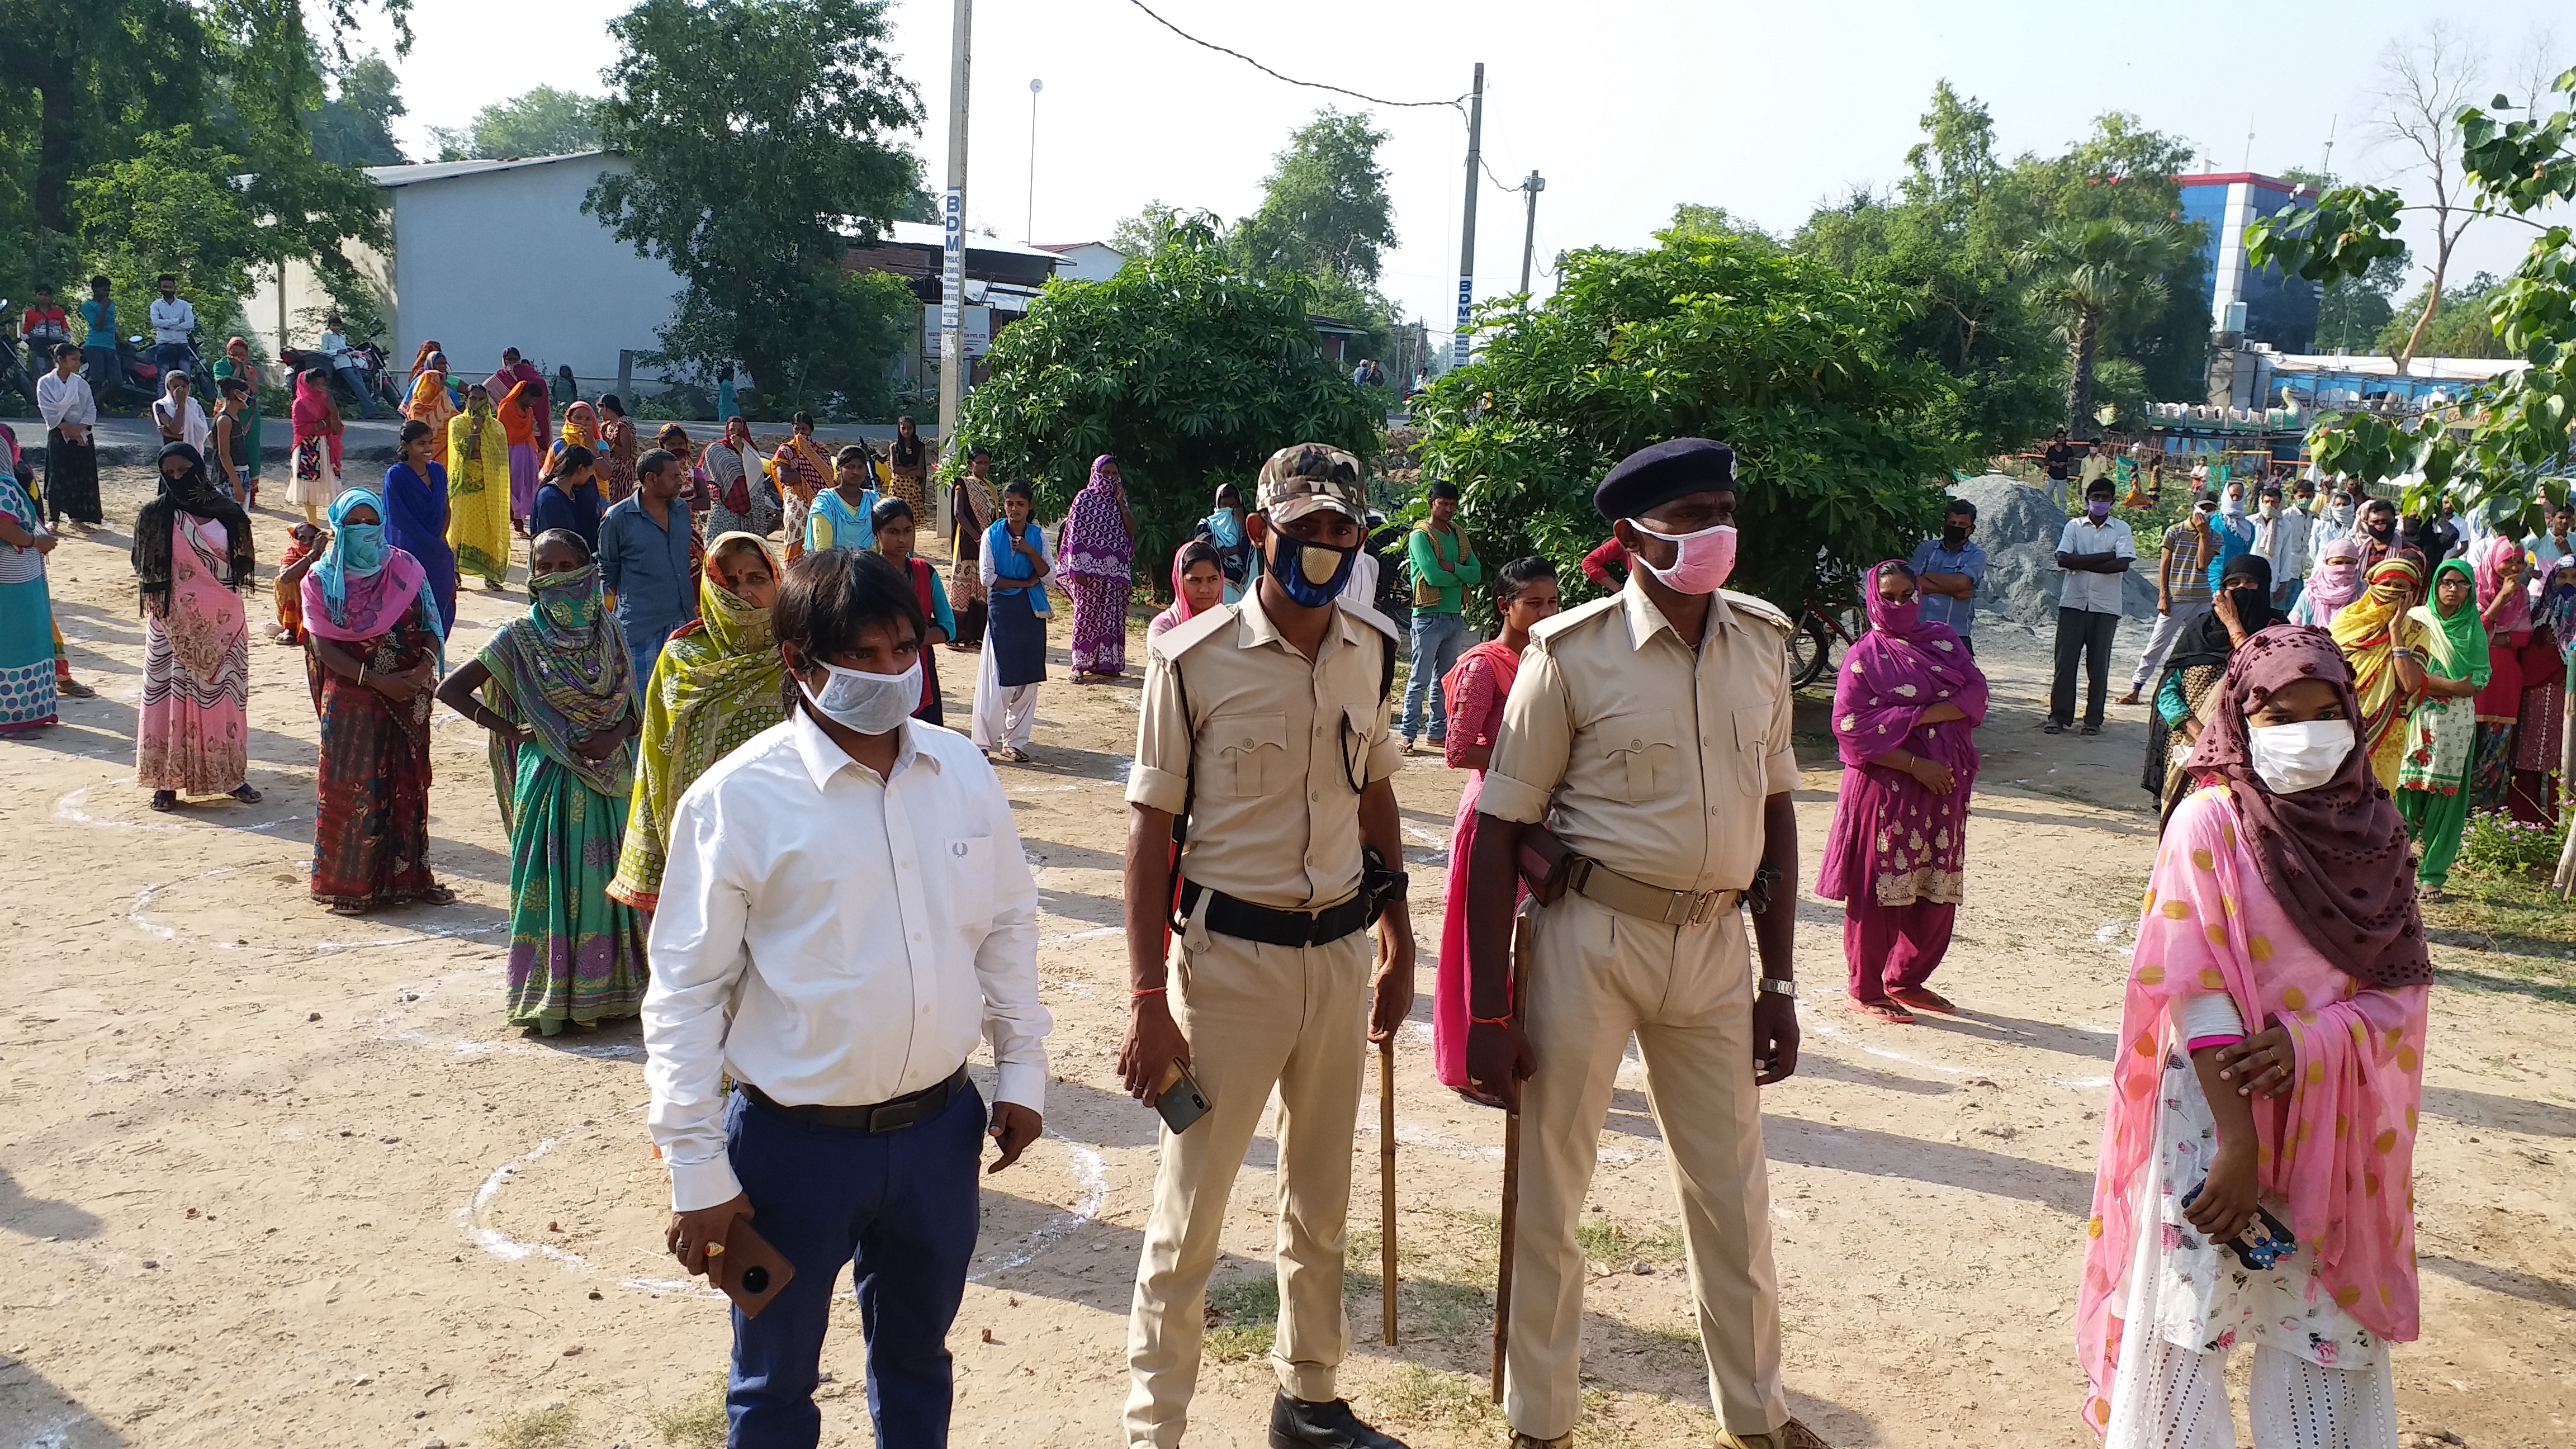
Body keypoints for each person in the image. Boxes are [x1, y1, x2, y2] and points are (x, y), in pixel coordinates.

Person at [641, 546, 1049, 1447]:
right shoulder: (737, 802)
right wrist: (697, 1166)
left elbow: (1008, 924)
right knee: (775, 1385)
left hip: (941, 1136)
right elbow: (684, 993)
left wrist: (1023, 1071)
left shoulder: (963, 772)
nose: (890, 672)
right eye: (860, 656)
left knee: (916, 1360)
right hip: (794, 1153)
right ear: (798, 660)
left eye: (904, 648)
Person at [1460, 438, 1817, 1449]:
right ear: (1629, 538)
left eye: (1722, 507)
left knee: (1732, 1190)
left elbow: (1777, 814)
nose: (1713, 530)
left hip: (1713, 950)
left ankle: (1756, 1415)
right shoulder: (1567, 656)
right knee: (1551, 1186)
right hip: (1590, 938)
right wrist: (1489, 1011)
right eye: (1689, 512)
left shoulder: (1761, 641)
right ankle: (1541, 1421)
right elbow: (1497, 834)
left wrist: (1779, 979)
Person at [1118, 441, 1413, 1449]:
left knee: (1318, 1200)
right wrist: (1145, 999)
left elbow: (1374, 787)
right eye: (1307, 528)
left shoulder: (1368, 650)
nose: (1326, 547)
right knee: (1190, 1214)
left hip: (1336, 956)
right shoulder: (1191, 660)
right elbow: (1150, 833)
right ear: (1258, 532)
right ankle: (1153, 1426)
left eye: (1343, 531)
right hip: (1228, 967)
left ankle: (1311, 1400)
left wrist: (1400, 937)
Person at [2078, 627, 2428, 1448]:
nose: (2306, 734)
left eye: (2325, 712)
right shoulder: (2209, 821)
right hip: (2215, 1111)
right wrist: (2238, 1146)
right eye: (2280, 716)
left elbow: (2401, 992)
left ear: (2353, 716)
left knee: (2319, 1321)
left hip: (2333, 1121)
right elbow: (2193, 986)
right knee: (2190, 1316)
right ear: (2241, 716)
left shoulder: (2378, 833)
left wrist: (2310, 1040)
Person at [436, 529, 648, 1033]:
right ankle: (554, 997)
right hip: (550, 781)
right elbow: (452, 689)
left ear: (586, 571)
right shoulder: (518, 637)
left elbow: (633, 707)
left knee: (608, 885)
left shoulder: (609, 633)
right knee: (552, 885)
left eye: (564, 565)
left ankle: (614, 992)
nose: (553, 578)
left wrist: (613, 735)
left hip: (610, 780)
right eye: (542, 568)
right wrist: (511, 730)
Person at [1819, 558, 1989, 1025]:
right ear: (1873, 598)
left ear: (1920, 595)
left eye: (1906, 595)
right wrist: (1918, 759)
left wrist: (1910, 716)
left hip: (1944, 788)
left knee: (1934, 888)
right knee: (1880, 889)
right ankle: (1867, 986)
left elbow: (1976, 696)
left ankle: (1907, 979)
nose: (1899, 605)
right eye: (1888, 596)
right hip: (1889, 789)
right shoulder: (1863, 657)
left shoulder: (1942, 640)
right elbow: (1853, 731)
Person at [609, 533, 788, 915]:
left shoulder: (800, 654)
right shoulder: (684, 658)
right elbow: (656, 760)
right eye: (729, 582)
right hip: (707, 839)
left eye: (757, 579)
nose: (743, 593)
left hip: (787, 838)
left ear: (777, 579)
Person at [1431, 557, 1558, 1093]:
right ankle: (1472, 1054)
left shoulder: (1549, 661)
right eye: (1535, 603)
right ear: (1505, 606)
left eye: (1553, 602)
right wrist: (1526, 760)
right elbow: (1458, 749)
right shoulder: (1486, 665)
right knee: (1481, 936)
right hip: (1489, 813)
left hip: (1536, 813)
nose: (1547, 612)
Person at [304, 487, 450, 912]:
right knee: (353, 791)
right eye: (354, 523)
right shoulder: (321, 580)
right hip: (353, 698)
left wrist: (421, 672)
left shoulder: (405, 568)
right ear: (338, 526)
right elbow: (323, 648)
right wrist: (378, 681)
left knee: (409, 787)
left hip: (410, 692)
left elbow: (429, 625)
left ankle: (409, 881)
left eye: (372, 523)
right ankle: (350, 887)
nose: (364, 531)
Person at [131, 442, 259, 811]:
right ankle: (166, 783)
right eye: (169, 473)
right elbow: (142, 564)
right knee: (167, 699)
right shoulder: (154, 516)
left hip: (223, 622)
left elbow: (242, 564)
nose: (177, 478)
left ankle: (230, 778)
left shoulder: (229, 513)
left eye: (183, 471)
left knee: (224, 701)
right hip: (171, 623)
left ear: (198, 469)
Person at [2143, 555, 2286, 822]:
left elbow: (2276, 683)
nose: (2242, 589)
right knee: (2192, 827)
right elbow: (2167, 691)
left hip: (2254, 753)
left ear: (2265, 587)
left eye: (2251, 583)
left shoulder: (2278, 631)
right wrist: (2198, 732)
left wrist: (2235, 626)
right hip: (2192, 744)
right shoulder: (2200, 629)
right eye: (2234, 583)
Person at [2394, 557, 2490, 901]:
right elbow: (2404, 674)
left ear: (2470, 590)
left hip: (2456, 724)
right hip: (2414, 718)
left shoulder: (2472, 628)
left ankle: (2433, 876)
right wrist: (2446, 685)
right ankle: (2393, 869)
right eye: (2446, 582)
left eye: (2461, 584)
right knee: (2405, 790)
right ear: (2435, 586)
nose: (2453, 589)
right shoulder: (2417, 620)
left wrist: (2426, 683)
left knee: (2447, 797)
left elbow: (2477, 681)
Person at [2329, 557, 2433, 793]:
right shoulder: (2346, 621)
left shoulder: (2416, 630)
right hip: (2338, 719)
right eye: (2386, 584)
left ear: (2413, 594)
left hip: (2385, 728)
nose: (2392, 592)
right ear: (2372, 585)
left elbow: (2409, 683)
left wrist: (2395, 630)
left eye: (2401, 587)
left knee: (2377, 798)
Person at [599, 448, 698, 680]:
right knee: (642, 706)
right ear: (651, 479)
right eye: (674, 476)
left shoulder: (682, 511)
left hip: (682, 623)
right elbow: (608, 572)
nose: (681, 481)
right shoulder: (617, 518)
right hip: (641, 628)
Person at [1399, 479, 1483, 751]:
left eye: (1452, 505)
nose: (1448, 509)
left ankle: (1437, 732)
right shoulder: (1420, 536)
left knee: (1445, 680)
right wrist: (1460, 574)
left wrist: (1451, 567)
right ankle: (1407, 734)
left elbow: (1478, 573)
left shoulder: (1459, 535)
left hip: (1454, 616)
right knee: (1419, 678)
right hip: (1427, 616)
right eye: (1443, 504)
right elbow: (1433, 577)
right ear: (1431, 504)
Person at [2115, 493, 2221, 708]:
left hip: (2201, 598)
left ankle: (2197, 693)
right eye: (2204, 508)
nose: (2207, 513)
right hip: (2176, 598)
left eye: (2211, 509)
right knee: (2156, 646)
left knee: (2202, 646)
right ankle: (2136, 688)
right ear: (2194, 507)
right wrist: (2163, 596)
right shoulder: (2175, 531)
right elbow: (2164, 564)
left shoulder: (2215, 536)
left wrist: (2203, 535)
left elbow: (2202, 564)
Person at [970, 481, 1050, 763]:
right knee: (998, 679)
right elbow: (987, 578)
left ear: (1029, 506)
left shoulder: (1038, 538)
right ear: (1003, 506)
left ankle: (1014, 742)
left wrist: (1030, 551)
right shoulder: (991, 535)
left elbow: (1049, 576)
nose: (1014, 509)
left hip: (1031, 610)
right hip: (1003, 610)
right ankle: (982, 742)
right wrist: (1026, 581)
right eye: (1009, 503)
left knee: (1029, 679)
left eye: (1020, 504)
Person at [2050, 478, 2137, 735]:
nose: (2099, 502)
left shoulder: (2121, 529)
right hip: (2074, 603)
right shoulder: (2074, 526)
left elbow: (2122, 565)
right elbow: (2063, 559)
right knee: (2066, 663)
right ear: (2086, 499)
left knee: (2098, 666)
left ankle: (2093, 719)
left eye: (2104, 498)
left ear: (2112, 501)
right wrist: (2105, 557)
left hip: (2106, 607)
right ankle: (2059, 716)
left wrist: (2080, 562)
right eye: (2095, 497)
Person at [871, 496, 953, 723]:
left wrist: (908, 643)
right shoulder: (866, 575)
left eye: (908, 531)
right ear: (876, 534)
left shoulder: (925, 573)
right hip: (877, 670)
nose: (902, 539)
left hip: (921, 669)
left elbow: (949, 628)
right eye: (893, 532)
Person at [2469, 536, 2535, 811]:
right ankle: (2454, 803)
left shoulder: (2523, 595)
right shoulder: (2472, 586)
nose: (2514, 568)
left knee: (2495, 748)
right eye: (2509, 560)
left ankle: (2482, 808)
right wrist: (2501, 599)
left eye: (2520, 562)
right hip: (2473, 679)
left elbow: (2523, 637)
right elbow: (2471, 633)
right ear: (2494, 559)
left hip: (2506, 680)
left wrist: (2492, 637)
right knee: (2467, 741)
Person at [0, 451, 64, 733]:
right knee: (17, 639)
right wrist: (36, 541)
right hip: (12, 580)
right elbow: (5, 526)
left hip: (17, 576)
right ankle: (15, 712)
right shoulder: (3, 484)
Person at [1061, 453, 1137, 682]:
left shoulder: (1121, 500)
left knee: (1112, 618)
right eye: (1106, 474)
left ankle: (1107, 663)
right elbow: (1073, 534)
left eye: (1115, 474)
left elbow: (1132, 530)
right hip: (1088, 570)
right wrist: (1077, 568)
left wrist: (1123, 505)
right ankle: (1079, 664)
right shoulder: (1083, 499)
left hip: (1116, 572)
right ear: (1096, 474)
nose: (1111, 478)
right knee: (1085, 617)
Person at [383, 420, 458, 629]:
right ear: (406, 446)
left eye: (430, 443)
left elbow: (446, 508)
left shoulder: (437, 471)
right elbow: (399, 519)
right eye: (421, 443)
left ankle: (435, 652)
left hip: (437, 548)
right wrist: (430, 544)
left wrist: (440, 539)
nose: (428, 449)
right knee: (412, 609)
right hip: (408, 551)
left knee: (442, 603)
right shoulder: (396, 476)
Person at [446, 383, 513, 590]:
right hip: (462, 486)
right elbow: (463, 452)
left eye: (479, 399)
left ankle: (491, 575)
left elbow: (499, 458)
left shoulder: (497, 428)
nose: (475, 403)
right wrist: (476, 430)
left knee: (489, 529)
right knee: (457, 529)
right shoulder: (457, 424)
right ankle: (454, 574)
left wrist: (479, 447)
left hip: (489, 488)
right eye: (471, 398)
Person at [1908, 496, 1987, 654]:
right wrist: (1955, 590)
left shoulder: (1977, 555)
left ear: (1972, 529)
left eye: (1962, 525)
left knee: (1963, 679)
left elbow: (1963, 584)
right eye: (1952, 524)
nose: (1956, 528)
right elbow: (1910, 584)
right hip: (1920, 632)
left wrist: (1928, 576)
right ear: (1943, 526)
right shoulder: (1926, 549)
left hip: (1957, 635)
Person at [36, 344, 102, 527]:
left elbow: (90, 409)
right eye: (74, 359)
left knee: (81, 474)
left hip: (82, 432)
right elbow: (49, 411)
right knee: (58, 476)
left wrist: (80, 430)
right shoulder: (46, 383)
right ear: (60, 360)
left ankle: (77, 517)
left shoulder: (81, 383)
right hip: (59, 434)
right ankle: (54, 519)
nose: (78, 363)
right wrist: (71, 432)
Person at [947, 444, 998, 650]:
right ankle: (956, 635)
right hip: (968, 544)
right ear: (971, 464)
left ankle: (976, 635)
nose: (983, 467)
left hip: (986, 544)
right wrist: (977, 537)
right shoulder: (963, 485)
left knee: (981, 589)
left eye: (987, 463)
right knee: (962, 586)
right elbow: (959, 514)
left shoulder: (991, 488)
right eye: (980, 463)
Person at [701, 416, 776, 542]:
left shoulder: (750, 450)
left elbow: (756, 472)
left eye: (739, 430)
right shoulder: (716, 449)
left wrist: (741, 449)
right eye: (732, 430)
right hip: (723, 505)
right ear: (727, 430)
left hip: (747, 507)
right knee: (720, 544)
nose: (735, 433)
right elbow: (705, 474)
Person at [771, 412, 834, 563]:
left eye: (804, 430)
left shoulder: (821, 450)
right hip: (795, 499)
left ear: (811, 430)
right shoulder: (787, 449)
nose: (800, 434)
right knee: (795, 530)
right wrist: (811, 474)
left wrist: (804, 475)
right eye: (797, 430)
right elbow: (783, 476)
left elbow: (828, 476)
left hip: (819, 500)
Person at [210, 337, 264, 505]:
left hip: (248, 413)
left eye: (242, 354)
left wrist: (244, 368)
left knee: (251, 449)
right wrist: (236, 369)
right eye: (234, 354)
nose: (238, 357)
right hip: (229, 410)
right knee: (227, 449)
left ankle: (251, 492)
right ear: (228, 353)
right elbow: (229, 388)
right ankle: (229, 486)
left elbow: (254, 389)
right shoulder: (220, 366)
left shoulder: (250, 369)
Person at [287, 369, 344, 528]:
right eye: (315, 384)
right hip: (307, 449)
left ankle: (335, 525)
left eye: (322, 383)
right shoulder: (299, 404)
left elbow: (336, 430)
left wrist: (333, 411)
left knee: (332, 483)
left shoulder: (327, 402)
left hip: (326, 447)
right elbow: (301, 430)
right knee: (308, 488)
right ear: (307, 384)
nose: (320, 388)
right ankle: (313, 524)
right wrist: (324, 423)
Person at [498, 363, 547, 533]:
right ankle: (514, 519)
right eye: (532, 399)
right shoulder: (506, 408)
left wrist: (538, 450)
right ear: (524, 394)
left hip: (526, 451)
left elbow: (529, 433)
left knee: (529, 483)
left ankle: (521, 516)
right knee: (513, 484)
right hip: (510, 451)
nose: (533, 403)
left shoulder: (529, 411)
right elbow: (503, 432)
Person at [1147, 540, 1227, 645]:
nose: (1204, 589)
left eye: (1213, 579)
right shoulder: (1163, 628)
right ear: (1179, 581)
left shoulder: (1230, 627)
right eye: (1194, 580)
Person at [1188, 482, 1256, 605]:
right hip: (1214, 586)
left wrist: (1241, 522)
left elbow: (1247, 552)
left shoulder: (1246, 526)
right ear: (1218, 506)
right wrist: (1233, 551)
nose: (1228, 509)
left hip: (1241, 589)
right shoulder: (1207, 526)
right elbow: (1203, 554)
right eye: (1224, 505)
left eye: (1233, 505)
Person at [532, 443, 605, 556]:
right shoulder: (550, 497)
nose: (591, 476)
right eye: (591, 470)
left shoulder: (574, 493)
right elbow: (554, 542)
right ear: (580, 469)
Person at [804, 444, 879, 555]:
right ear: (839, 469)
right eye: (849, 467)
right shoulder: (825, 503)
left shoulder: (873, 500)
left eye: (860, 467)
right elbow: (823, 549)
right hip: (832, 567)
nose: (856, 472)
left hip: (869, 567)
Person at [2252, 482, 2311, 615]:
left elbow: (2285, 557)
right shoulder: (2251, 522)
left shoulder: (2285, 526)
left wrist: (2283, 585)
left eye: (2274, 502)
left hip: (2272, 579)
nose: (2270, 506)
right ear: (2261, 502)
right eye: (2266, 502)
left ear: (2280, 504)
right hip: (2251, 576)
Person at [2289, 536, 2364, 631]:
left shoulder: (2362, 593)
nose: (2344, 568)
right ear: (2326, 562)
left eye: (2350, 563)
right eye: (2337, 563)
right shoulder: (2311, 594)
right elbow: (2293, 626)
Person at [404, 351, 460, 470]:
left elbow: (455, 419)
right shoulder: (417, 408)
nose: (440, 385)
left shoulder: (444, 399)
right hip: (421, 453)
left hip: (444, 453)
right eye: (436, 382)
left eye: (445, 364)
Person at [315, 310, 374, 419]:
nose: (336, 328)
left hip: (350, 363)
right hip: (340, 364)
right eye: (333, 325)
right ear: (329, 326)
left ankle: (371, 411)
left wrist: (352, 353)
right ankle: (371, 412)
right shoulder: (327, 336)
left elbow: (346, 349)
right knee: (358, 386)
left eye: (338, 326)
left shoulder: (342, 337)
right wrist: (337, 352)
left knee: (362, 387)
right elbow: (324, 351)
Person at [272, 520, 321, 646]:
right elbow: (285, 577)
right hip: (296, 602)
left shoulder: (325, 556)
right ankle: (291, 627)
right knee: (282, 581)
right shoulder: (292, 554)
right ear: (295, 538)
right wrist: (311, 555)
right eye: (302, 538)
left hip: (317, 605)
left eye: (311, 539)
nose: (306, 543)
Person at [78, 276, 126, 395]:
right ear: (95, 289)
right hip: (95, 345)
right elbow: (98, 326)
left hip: (110, 345)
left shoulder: (112, 304)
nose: (107, 293)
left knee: (116, 380)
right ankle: (95, 407)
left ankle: (95, 402)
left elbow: (111, 325)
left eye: (108, 290)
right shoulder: (88, 306)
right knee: (97, 378)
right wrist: (103, 308)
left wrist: (119, 341)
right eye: (104, 290)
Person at [209, 376, 252, 505]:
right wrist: (236, 483)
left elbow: (211, 436)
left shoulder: (233, 417)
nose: (249, 399)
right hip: (231, 476)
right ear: (238, 394)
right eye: (247, 394)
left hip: (241, 472)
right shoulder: (225, 420)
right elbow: (224, 454)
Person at [148, 274, 196, 381]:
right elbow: (156, 323)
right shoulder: (156, 305)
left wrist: (166, 325)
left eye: (171, 287)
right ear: (160, 288)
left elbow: (190, 324)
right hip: (164, 346)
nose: (168, 290)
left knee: (185, 379)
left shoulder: (184, 305)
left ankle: (185, 398)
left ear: (175, 288)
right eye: (165, 287)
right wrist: (178, 321)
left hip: (182, 345)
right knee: (163, 380)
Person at [153, 368, 209, 455]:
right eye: (176, 387)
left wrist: (170, 434)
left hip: (194, 452)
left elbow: (200, 434)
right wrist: (180, 405)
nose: (181, 390)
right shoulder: (162, 405)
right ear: (168, 387)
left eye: (184, 387)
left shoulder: (194, 405)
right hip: (172, 452)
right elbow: (175, 429)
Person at [596, 394, 639, 505]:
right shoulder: (606, 425)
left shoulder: (623, 425)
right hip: (609, 473)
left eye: (599, 408)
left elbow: (625, 453)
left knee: (620, 506)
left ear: (605, 407)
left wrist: (606, 440)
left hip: (622, 475)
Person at [887, 414, 930, 515]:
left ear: (914, 429)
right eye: (903, 428)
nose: (906, 431)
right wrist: (912, 468)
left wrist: (904, 470)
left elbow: (920, 472)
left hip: (913, 487)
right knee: (895, 515)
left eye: (909, 428)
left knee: (911, 517)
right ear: (899, 429)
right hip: (897, 486)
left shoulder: (920, 447)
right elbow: (895, 470)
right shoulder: (894, 447)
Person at [2352, 497, 2402, 572]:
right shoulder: (2357, 553)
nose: (2380, 525)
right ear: (2367, 524)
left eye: (2384, 521)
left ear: (2395, 522)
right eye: (2375, 521)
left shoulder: (2407, 552)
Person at [2525, 504, 2574, 576]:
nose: (2565, 521)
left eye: (2568, 518)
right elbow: (2518, 547)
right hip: (2542, 584)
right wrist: (2529, 569)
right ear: (2552, 518)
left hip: (2566, 584)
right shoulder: (2541, 536)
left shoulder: (2574, 539)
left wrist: (2567, 552)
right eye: (2561, 517)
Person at [2041, 428, 2078, 510]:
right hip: (2051, 476)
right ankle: (2047, 512)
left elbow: (2073, 462)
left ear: (2065, 438)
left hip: (2062, 478)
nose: (2060, 439)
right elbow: (2045, 460)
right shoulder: (2051, 449)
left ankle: (2061, 516)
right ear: (2056, 439)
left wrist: (2065, 464)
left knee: (2062, 499)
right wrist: (2051, 463)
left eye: (2062, 437)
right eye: (2059, 437)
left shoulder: (2068, 450)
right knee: (2047, 497)